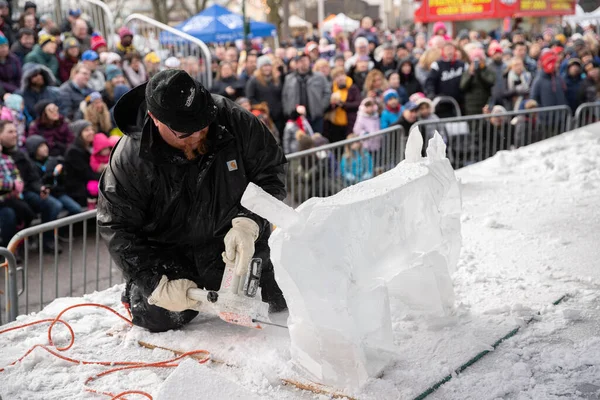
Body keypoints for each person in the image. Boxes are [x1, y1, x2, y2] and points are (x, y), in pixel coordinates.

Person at [96, 70, 287, 332]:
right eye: (184, 134)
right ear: (154, 119)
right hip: (171, 255)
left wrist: (249, 222)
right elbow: (116, 226)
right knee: (157, 315)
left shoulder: (234, 120)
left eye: (202, 127)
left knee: (285, 297)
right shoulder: (130, 159)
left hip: (235, 246)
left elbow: (271, 172)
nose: (197, 137)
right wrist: (152, 282)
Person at [1, 120, 63, 253]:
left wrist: (40, 188)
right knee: (10, 213)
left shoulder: (19, 154)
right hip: (7, 197)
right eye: (10, 132)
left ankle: (48, 241)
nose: (14, 135)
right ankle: (11, 251)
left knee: (53, 205)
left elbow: (32, 177)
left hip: (26, 191)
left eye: (15, 131)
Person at [25, 134, 82, 216]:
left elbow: (63, 179)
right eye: (41, 146)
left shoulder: (54, 160)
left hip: (57, 193)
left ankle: (63, 227)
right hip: (43, 193)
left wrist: (61, 171)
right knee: (56, 206)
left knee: (76, 209)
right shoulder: (31, 165)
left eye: (45, 145)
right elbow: (34, 181)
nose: (45, 148)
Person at [0, 135, 34, 248]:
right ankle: (8, 249)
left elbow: (16, 173)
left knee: (27, 212)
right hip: (3, 199)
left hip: (11, 197)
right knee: (9, 215)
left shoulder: (6, 158)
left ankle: (18, 241)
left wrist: (18, 183)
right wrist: (12, 185)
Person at [63, 120, 101, 207]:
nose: (91, 132)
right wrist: (106, 176)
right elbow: (86, 174)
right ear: (78, 134)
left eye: (92, 129)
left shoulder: (86, 148)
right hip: (77, 191)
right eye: (87, 130)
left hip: (84, 185)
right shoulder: (74, 151)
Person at [425, 42, 465, 118]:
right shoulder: (437, 65)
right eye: (447, 49)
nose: (450, 52)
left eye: (451, 49)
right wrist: (431, 94)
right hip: (442, 103)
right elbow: (430, 81)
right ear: (443, 51)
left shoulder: (462, 65)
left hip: (459, 103)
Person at [246, 55, 284, 133]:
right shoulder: (253, 81)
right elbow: (250, 98)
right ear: (260, 67)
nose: (267, 68)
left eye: (269, 65)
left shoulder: (276, 80)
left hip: (278, 115)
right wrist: (261, 108)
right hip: (264, 116)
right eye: (264, 66)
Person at [325, 67, 361, 143]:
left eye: (342, 75)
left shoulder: (353, 88)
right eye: (337, 76)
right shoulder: (331, 89)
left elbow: (357, 104)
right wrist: (333, 105)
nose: (340, 78)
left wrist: (343, 104)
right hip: (335, 125)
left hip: (350, 123)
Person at [460, 48, 496, 115]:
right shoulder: (468, 72)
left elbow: (490, 83)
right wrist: (471, 74)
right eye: (475, 60)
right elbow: (463, 86)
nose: (478, 62)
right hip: (470, 107)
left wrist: (479, 73)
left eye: (479, 59)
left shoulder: (488, 70)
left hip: (484, 105)